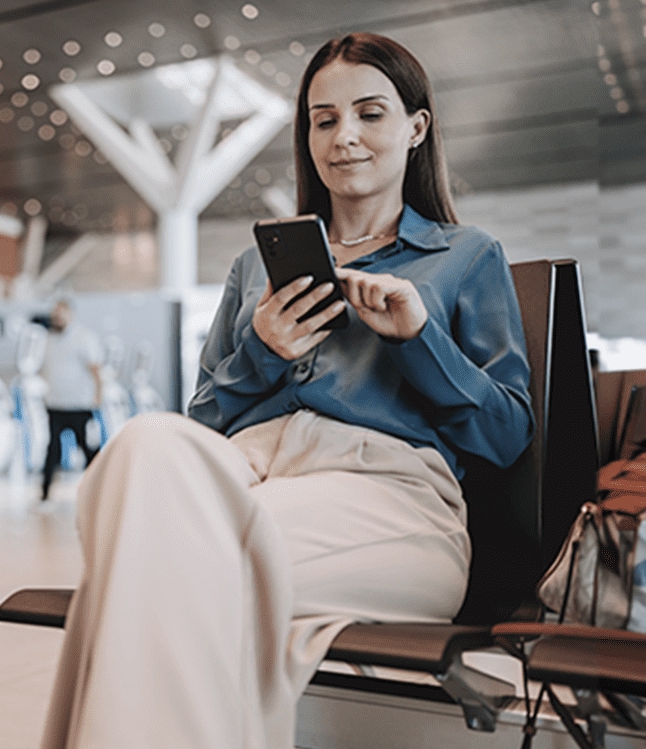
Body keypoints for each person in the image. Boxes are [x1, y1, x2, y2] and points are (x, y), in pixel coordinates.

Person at [41, 32, 535, 749]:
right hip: (249, 476)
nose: (344, 137)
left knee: (148, 574)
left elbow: (507, 434)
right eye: (323, 118)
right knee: (147, 440)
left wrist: (417, 339)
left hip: (386, 498)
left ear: (416, 128)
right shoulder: (254, 267)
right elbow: (203, 423)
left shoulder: (465, 256)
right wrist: (263, 351)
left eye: (369, 113)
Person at [40, 298, 103, 500]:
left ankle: (102, 488)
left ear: (70, 314)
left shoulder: (84, 338)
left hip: (79, 405)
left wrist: (98, 395)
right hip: (55, 404)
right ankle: (45, 494)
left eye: (60, 314)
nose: (56, 318)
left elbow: (95, 370)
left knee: (88, 448)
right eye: (54, 314)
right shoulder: (49, 339)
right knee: (52, 449)